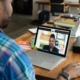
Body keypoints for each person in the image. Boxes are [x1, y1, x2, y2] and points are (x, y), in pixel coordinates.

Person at [0, 0, 80, 80]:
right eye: (10, 3)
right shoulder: (12, 54)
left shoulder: (56, 49)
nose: (11, 9)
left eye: (52, 41)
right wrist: (65, 75)